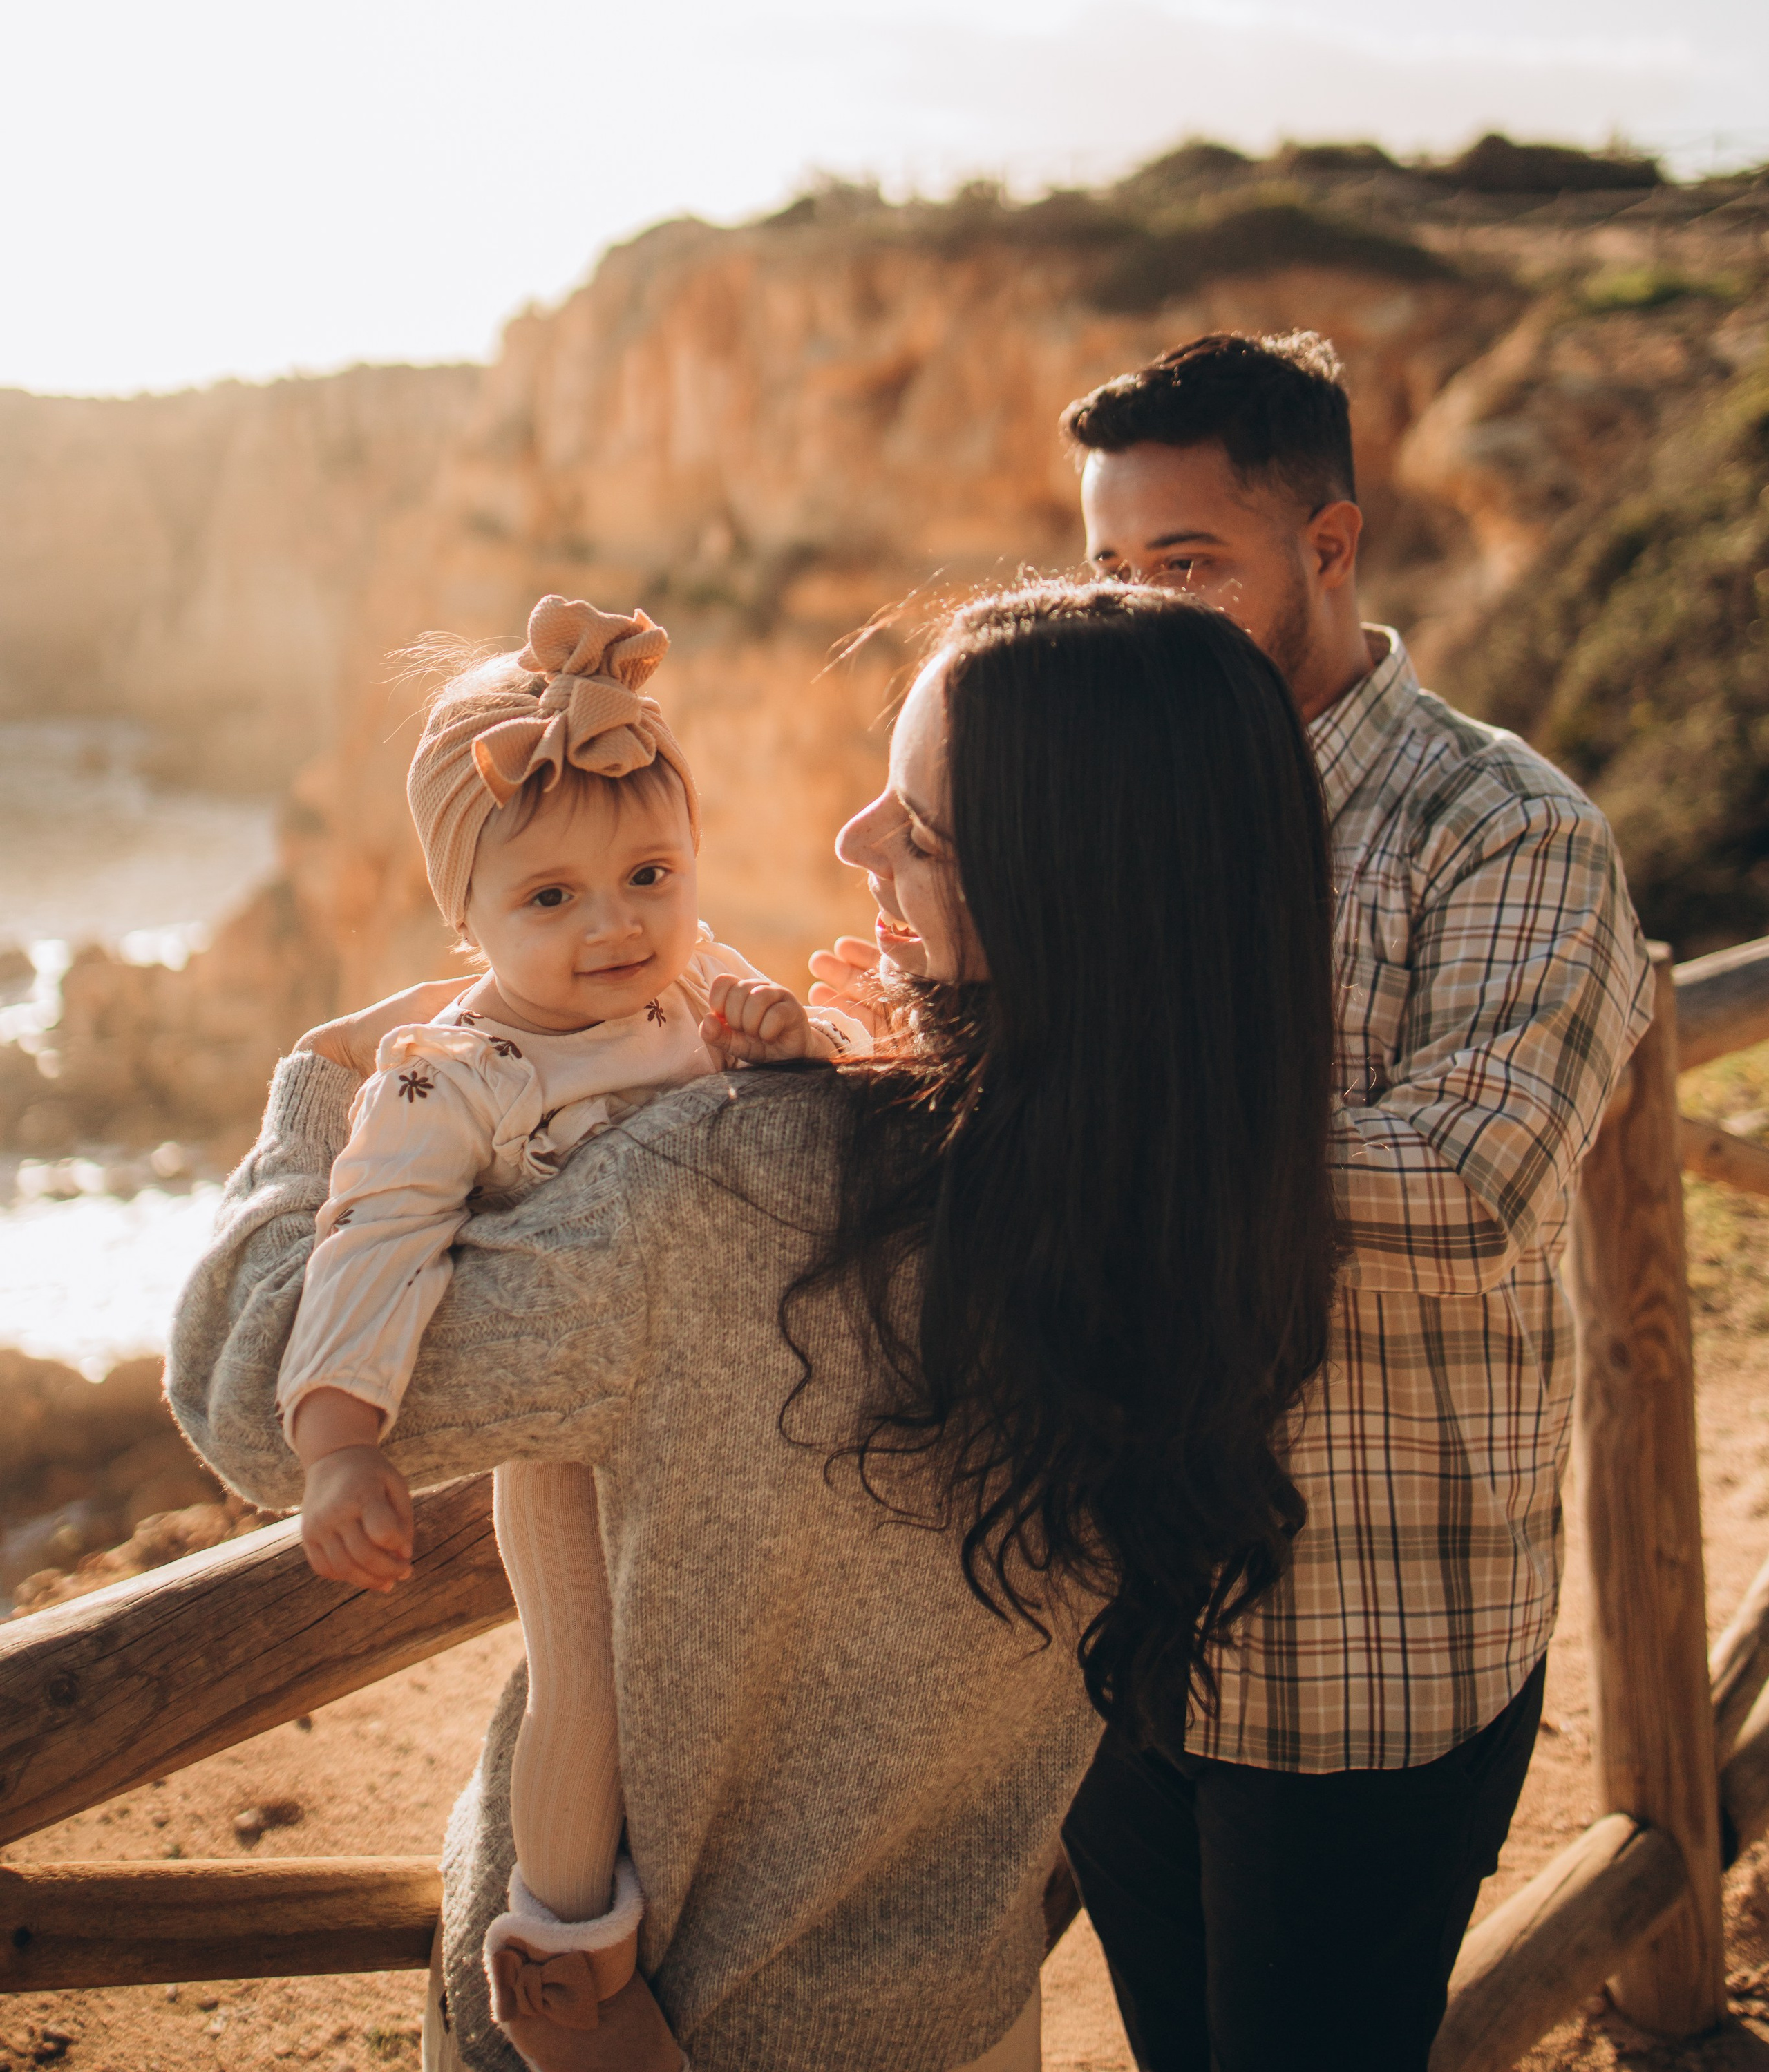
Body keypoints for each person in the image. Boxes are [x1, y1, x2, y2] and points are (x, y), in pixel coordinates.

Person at [169, 578, 1341, 2072]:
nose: (851, 837)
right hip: (955, 2012)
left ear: (1056, 886)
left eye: (918, 827)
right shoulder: (1214, 1204)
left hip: (670, 2027)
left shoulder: (732, 1189)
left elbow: (252, 1394)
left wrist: (333, 1082)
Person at [1046, 333, 1652, 2071]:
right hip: (1104, 1614)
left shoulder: (1504, 828)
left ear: (1328, 546)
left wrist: (1090, 1132)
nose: (1136, 613)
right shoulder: (1099, 817)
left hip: (1363, 1644)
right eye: (1106, 568)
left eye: (1185, 566)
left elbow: (1470, 1187)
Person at [276, 592, 864, 2072]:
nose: (615, 925)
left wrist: (798, 1048)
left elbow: (824, 1103)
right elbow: (372, 1242)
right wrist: (341, 1445)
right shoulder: (451, 1078)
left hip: (735, 1422)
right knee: (584, 1684)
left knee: (738, 1679)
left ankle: (742, 1915)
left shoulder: (697, 984)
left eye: (649, 876)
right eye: (551, 899)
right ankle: (562, 1965)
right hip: (570, 1458)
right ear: (462, 918)